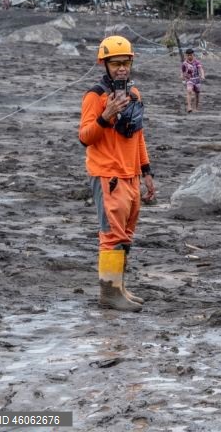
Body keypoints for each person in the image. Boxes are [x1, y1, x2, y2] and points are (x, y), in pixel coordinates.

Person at [79, 35, 155, 312]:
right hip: (107, 174)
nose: (122, 68)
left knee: (126, 234)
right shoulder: (95, 96)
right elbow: (85, 137)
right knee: (111, 235)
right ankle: (109, 293)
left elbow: (138, 135)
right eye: (116, 63)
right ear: (105, 64)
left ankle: (119, 286)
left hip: (131, 173)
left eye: (126, 62)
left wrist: (146, 170)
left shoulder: (134, 95)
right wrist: (106, 114)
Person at [181, 48, 205, 113]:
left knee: (197, 94)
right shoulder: (184, 63)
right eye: (188, 55)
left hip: (197, 80)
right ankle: (189, 107)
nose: (189, 56)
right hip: (189, 80)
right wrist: (182, 77)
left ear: (193, 55)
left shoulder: (197, 62)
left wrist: (202, 75)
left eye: (191, 55)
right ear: (186, 55)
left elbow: (201, 69)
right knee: (189, 91)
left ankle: (196, 108)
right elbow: (182, 71)